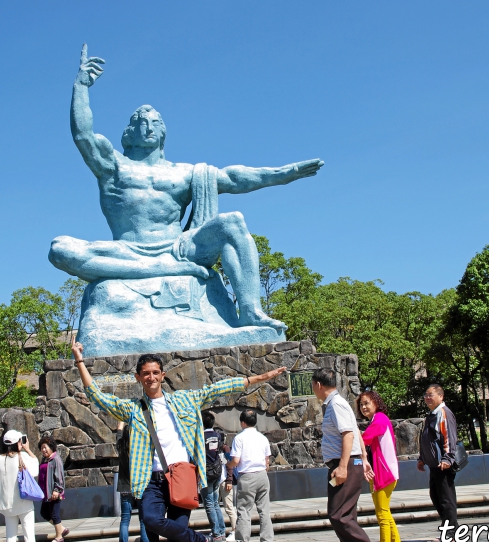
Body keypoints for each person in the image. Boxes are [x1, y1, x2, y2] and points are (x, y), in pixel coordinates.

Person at [49, 45, 325, 335]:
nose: (149, 127)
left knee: (233, 223)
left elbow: (235, 177)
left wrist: (285, 174)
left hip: (178, 249)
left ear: (164, 131)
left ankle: (252, 311)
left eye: (155, 122)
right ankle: (158, 271)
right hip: (127, 250)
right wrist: (81, 86)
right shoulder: (113, 166)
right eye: (141, 123)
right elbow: (83, 135)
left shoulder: (184, 173)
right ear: (129, 133)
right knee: (60, 249)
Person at [72, 339, 286, 542]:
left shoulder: (185, 400)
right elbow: (97, 396)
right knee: (152, 520)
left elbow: (218, 388)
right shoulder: (132, 409)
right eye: (146, 373)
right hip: (150, 481)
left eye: (156, 372)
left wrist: (259, 378)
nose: (151, 377)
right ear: (138, 377)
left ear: (163, 375)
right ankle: (202, 541)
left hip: (181, 475)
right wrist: (79, 359)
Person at [312, 370, 384, 542]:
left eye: (313, 385)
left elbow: (348, 434)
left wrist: (344, 466)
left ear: (319, 385)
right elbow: (357, 432)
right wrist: (364, 458)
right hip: (349, 462)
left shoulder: (336, 405)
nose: (313, 390)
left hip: (345, 464)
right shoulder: (337, 404)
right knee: (346, 514)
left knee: (338, 514)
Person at [358, 392, 405, 542]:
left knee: (383, 516)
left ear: (376, 403)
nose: (363, 407)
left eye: (366, 403)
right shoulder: (377, 419)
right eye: (361, 405)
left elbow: (365, 439)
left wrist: (352, 434)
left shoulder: (379, 419)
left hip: (383, 473)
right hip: (383, 472)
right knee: (386, 515)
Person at [226, 410, 273, 542]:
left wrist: (227, 465)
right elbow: (267, 461)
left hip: (247, 476)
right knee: (264, 510)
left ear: (242, 422)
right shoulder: (262, 438)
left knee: (244, 510)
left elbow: (236, 460)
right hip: (262, 475)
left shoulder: (239, 438)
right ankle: (267, 541)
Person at [417, 384, 459, 538]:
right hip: (434, 464)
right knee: (436, 495)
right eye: (426, 395)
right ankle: (448, 526)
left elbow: (449, 436)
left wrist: (448, 458)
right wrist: (422, 458)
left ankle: (452, 530)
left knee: (446, 498)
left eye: (431, 395)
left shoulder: (443, 413)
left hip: (443, 464)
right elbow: (427, 438)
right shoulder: (432, 414)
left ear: (441, 396)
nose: (427, 398)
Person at [0, 430, 39, 542]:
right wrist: (28, 449)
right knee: (29, 535)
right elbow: (35, 469)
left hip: (7, 504)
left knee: (10, 537)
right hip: (24, 502)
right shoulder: (22, 456)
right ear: (17, 442)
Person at [115, 422, 155, 542]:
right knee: (143, 519)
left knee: (125, 519)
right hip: (140, 486)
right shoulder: (139, 448)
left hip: (125, 487)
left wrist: (121, 421)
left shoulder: (121, 447)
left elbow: (119, 433)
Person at [200, 412, 226, 542]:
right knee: (216, 503)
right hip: (217, 471)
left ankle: (216, 532)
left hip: (206, 473)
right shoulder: (217, 435)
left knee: (209, 503)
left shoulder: (200, 437)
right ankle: (221, 531)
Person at [37, 436, 69, 542]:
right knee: (44, 513)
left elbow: (59, 477)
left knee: (54, 514)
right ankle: (62, 529)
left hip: (54, 493)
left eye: (45, 447)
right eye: (41, 448)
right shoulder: (45, 459)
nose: (43, 450)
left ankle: (59, 537)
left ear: (51, 447)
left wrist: (57, 490)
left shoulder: (55, 459)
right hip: (46, 493)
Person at [219, 446, 237, 542]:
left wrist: (229, 481)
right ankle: (219, 531)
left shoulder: (224, 449)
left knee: (229, 507)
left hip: (225, 481)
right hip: (216, 481)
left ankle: (235, 531)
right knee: (215, 508)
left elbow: (230, 466)